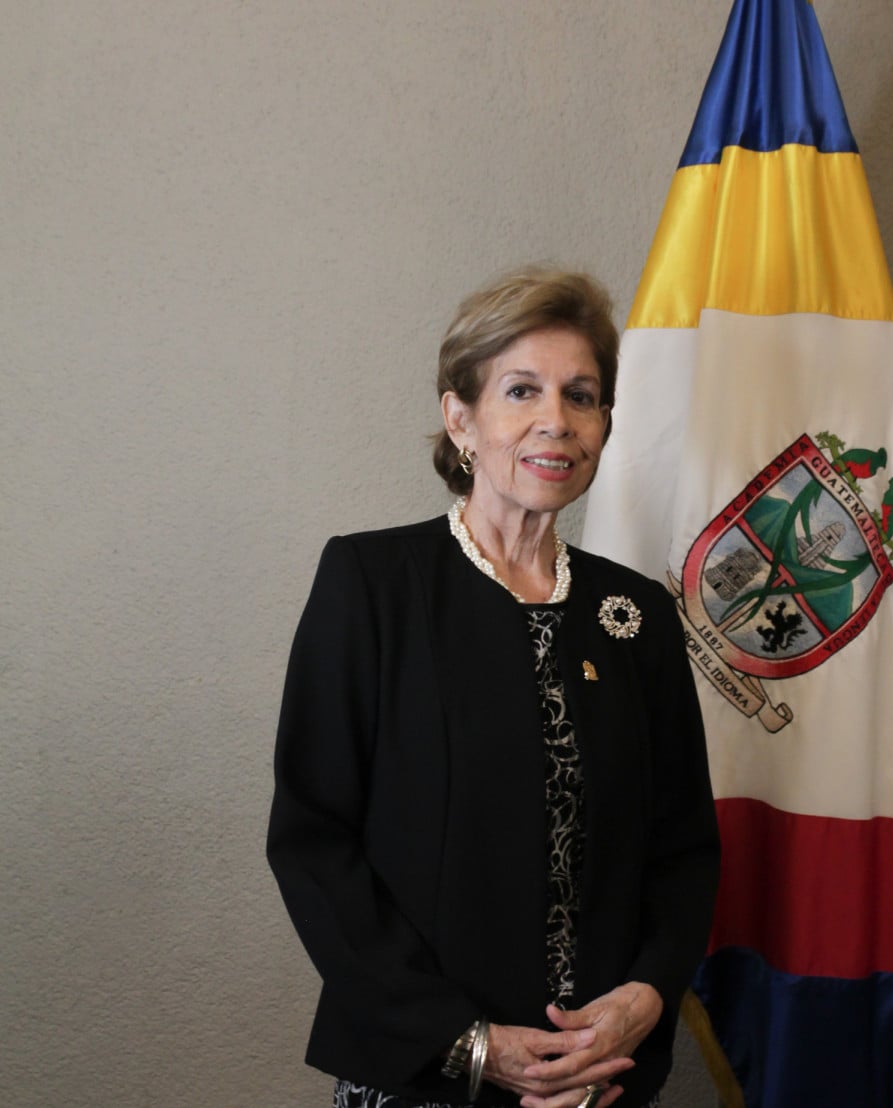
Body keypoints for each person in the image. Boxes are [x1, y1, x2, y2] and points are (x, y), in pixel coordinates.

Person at [267, 268, 719, 1108]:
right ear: (460, 418)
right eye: (522, 390)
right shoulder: (372, 584)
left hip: (602, 1080)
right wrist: (462, 1040)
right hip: (424, 1074)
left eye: (581, 395)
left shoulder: (640, 615)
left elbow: (685, 847)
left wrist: (647, 996)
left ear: (604, 424)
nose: (557, 419)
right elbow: (312, 840)